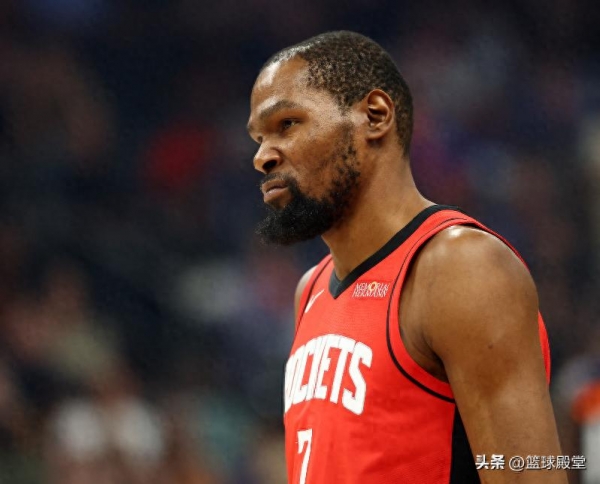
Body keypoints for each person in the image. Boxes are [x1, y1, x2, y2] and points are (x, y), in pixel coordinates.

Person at [247, 31, 567, 484]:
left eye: (287, 124)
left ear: (375, 116)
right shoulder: (310, 291)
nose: (262, 157)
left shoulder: (460, 267)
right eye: (258, 138)